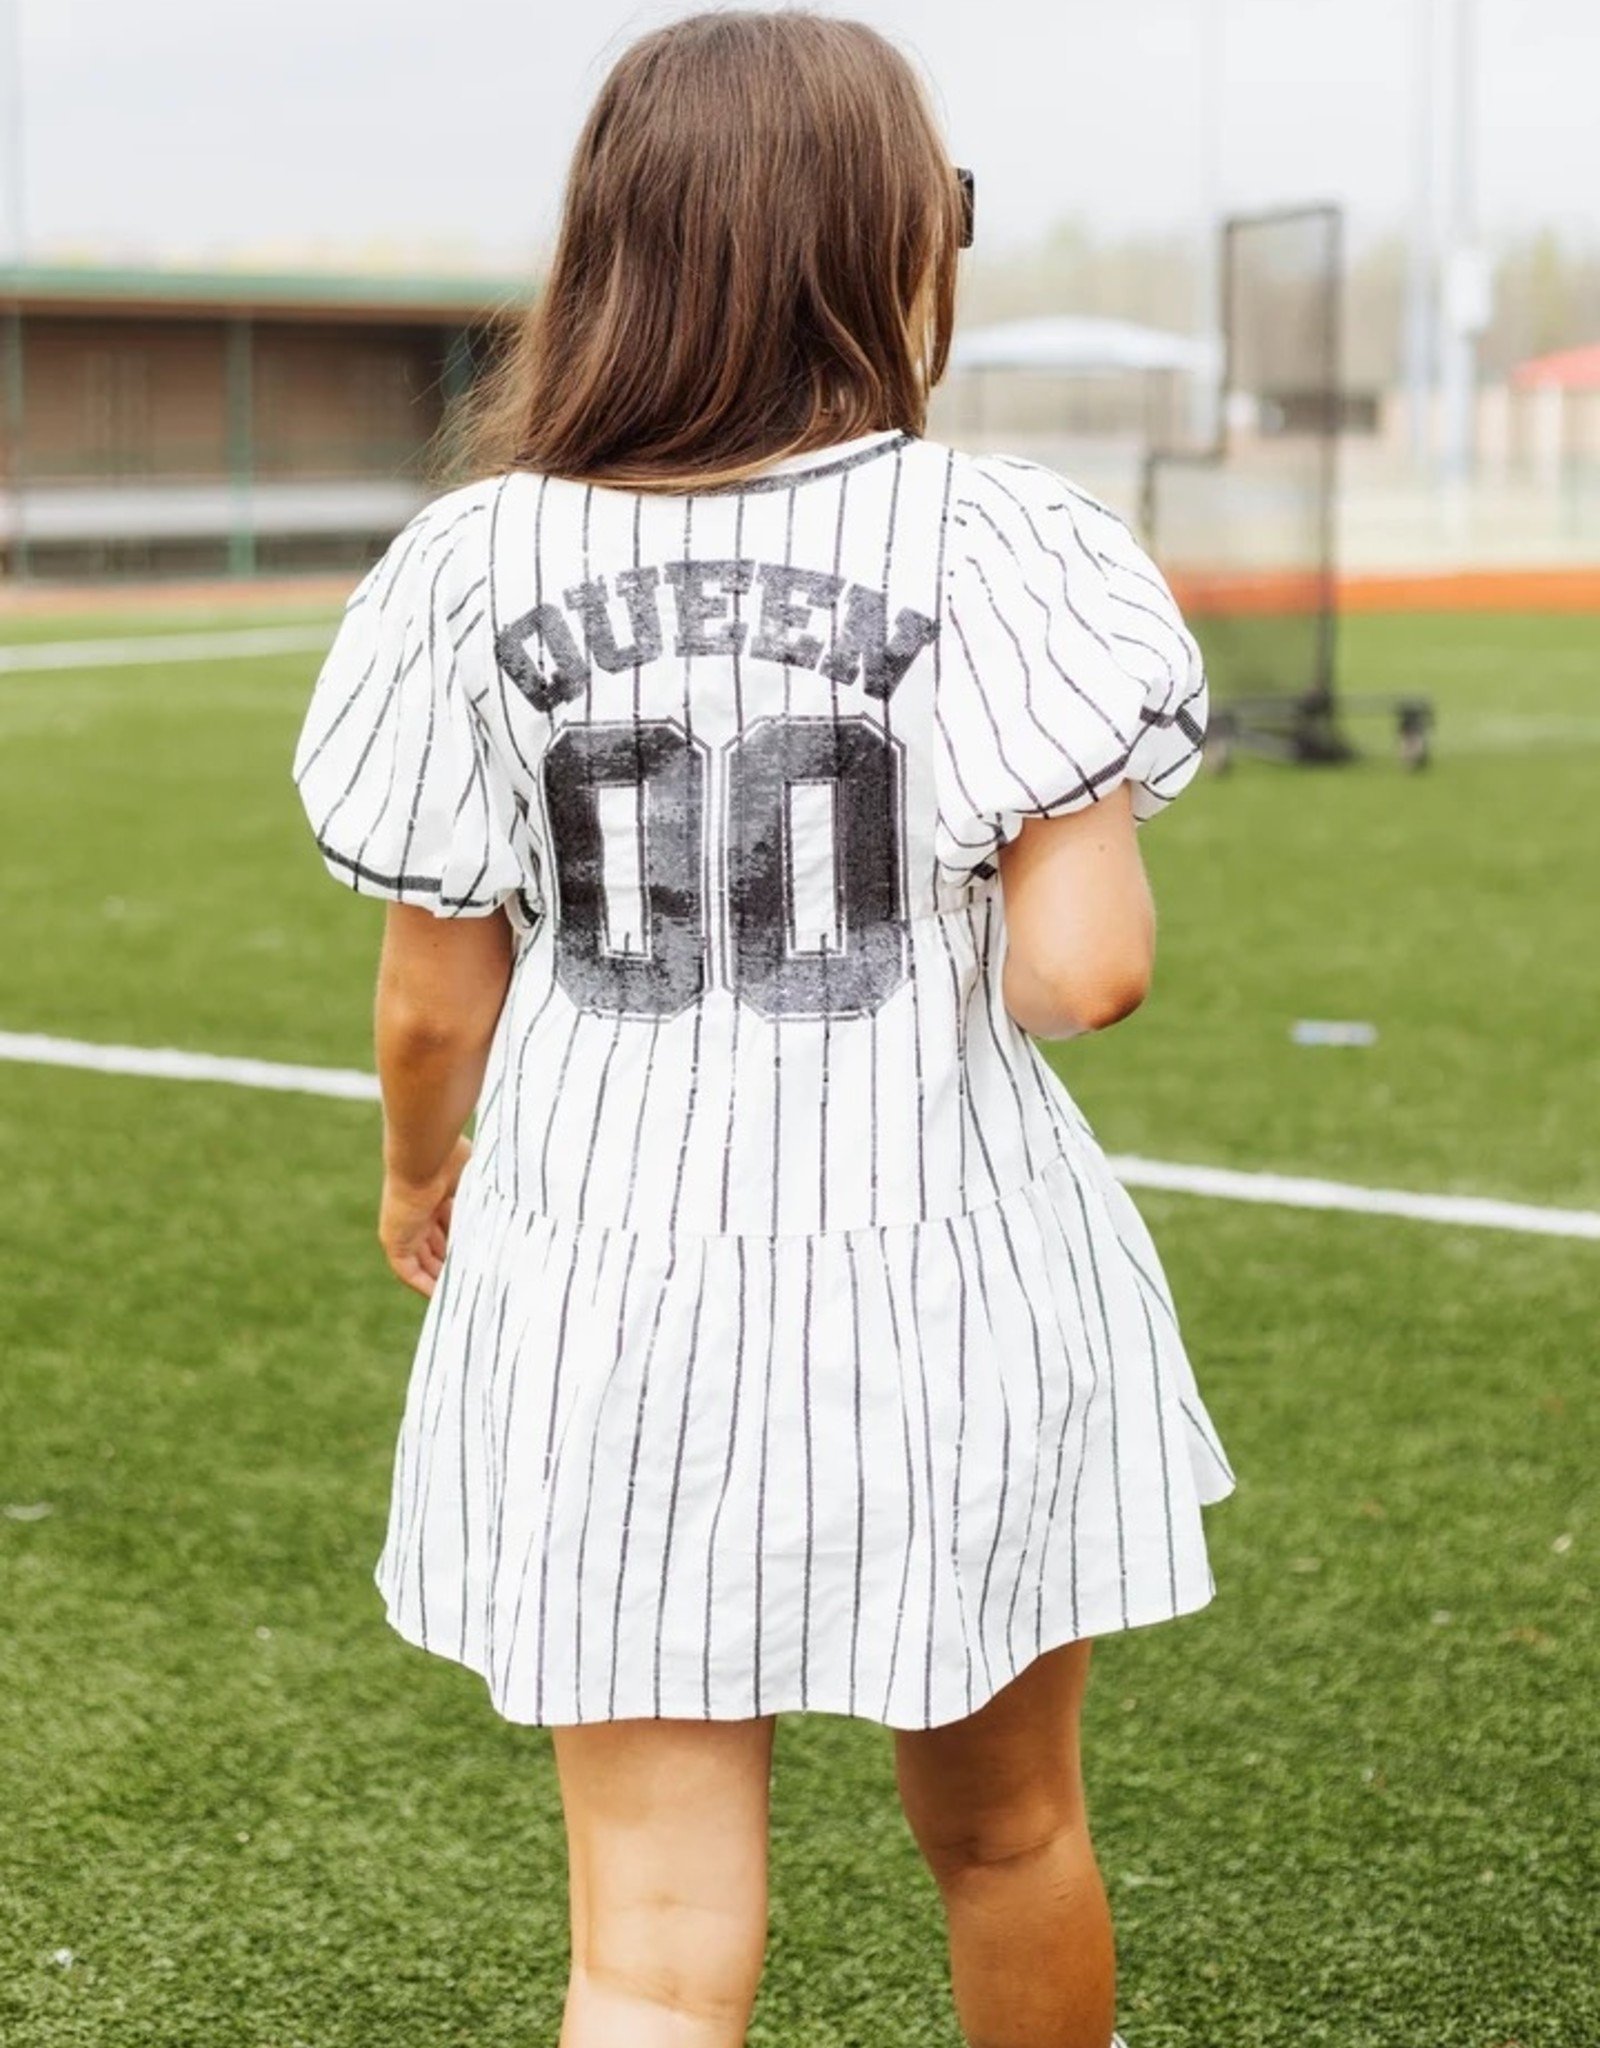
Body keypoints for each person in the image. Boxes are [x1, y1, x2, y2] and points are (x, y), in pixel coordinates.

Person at [290, 12, 1236, 2046]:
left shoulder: (465, 567)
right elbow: (1086, 970)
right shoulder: (1004, 542)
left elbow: (430, 994)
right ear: (893, 244)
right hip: (946, 1267)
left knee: (643, 1944)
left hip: (595, 1279)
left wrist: (412, 1172)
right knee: (1002, 1841)